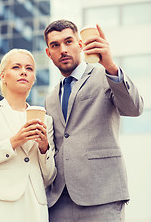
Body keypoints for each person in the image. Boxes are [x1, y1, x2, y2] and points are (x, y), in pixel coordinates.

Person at [43, 20, 144, 222]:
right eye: (55, 45)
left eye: (68, 41)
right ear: (49, 53)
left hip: (102, 195)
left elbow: (134, 108)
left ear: (80, 44)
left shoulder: (105, 76)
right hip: (59, 201)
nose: (63, 49)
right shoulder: (50, 98)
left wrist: (110, 65)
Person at [0, 48, 57, 222]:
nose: (24, 71)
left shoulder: (46, 119)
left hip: (35, 205)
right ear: (3, 76)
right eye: (16, 67)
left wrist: (44, 147)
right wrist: (13, 142)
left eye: (29, 69)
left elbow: (49, 176)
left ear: (33, 79)